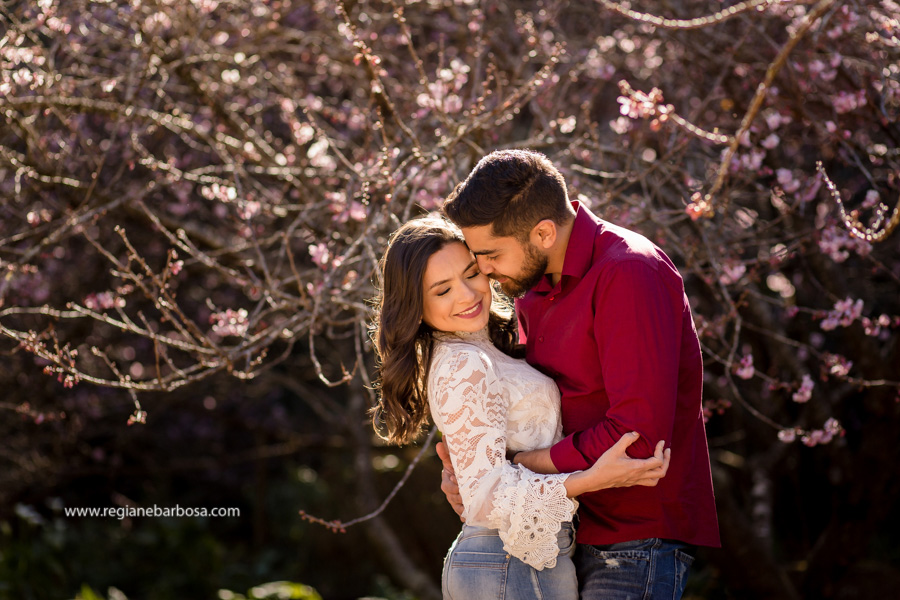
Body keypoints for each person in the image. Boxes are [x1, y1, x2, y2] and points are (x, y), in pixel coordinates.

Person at [438, 149, 721, 599]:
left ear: (544, 232)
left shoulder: (629, 271)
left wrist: (521, 467)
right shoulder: (533, 291)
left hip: (634, 539)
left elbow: (636, 437)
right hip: (560, 533)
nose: (485, 272)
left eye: (490, 254)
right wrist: (478, 477)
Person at [370, 216, 672, 600]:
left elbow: (486, 474)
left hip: (520, 560)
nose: (466, 295)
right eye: (443, 290)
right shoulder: (463, 363)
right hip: (507, 563)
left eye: (470, 274)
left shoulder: (485, 349)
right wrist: (597, 478)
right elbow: (486, 497)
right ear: (415, 305)